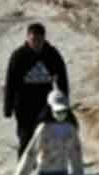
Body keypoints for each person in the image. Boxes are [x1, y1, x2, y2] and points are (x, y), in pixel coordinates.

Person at [14, 90, 84, 175]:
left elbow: (76, 153)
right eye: (58, 111)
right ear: (50, 109)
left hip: (62, 174)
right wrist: (21, 174)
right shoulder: (43, 129)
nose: (61, 114)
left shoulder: (71, 129)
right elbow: (31, 152)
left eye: (63, 111)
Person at [5, 23, 71, 158]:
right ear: (28, 38)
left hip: (45, 102)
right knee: (25, 137)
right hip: (23, 103)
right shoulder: (19, 56)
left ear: (44, 39)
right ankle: (23, 171)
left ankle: (45, 168)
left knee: (45, 135)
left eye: (39, 40)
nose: (36, 44)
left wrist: (64, 100)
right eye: (33, 40)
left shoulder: (52, 54)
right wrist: (8, 105)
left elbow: (62, 77)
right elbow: (10, 82)